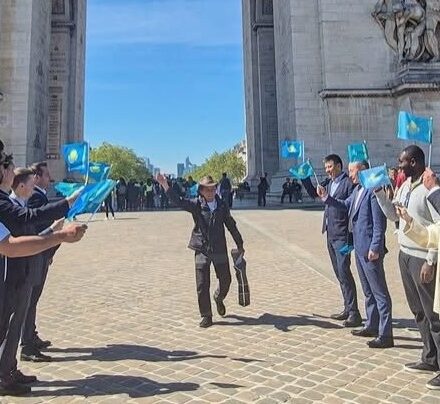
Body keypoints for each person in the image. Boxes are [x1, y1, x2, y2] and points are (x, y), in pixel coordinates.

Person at [375, 145, 440, 388]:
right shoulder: (404, 186)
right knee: (418, 311)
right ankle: (429, 357)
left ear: (413, 162)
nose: (398, 165)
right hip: (405, 254)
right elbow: (395, 216)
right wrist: (381, 197)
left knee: (434, 315)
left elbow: (439, 224)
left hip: (422, 258)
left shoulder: (429, 189)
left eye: (402, 161)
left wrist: (431, 260)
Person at [318, 161, 393, 349]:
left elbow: (379, 224)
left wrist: (375, 247)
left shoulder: (373, 191)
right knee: (368, 291)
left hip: (370, 250)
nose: (349, 174)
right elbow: (344, 205)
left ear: (362, 171)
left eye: (352, 171)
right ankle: (372, 325)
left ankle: (386, 334)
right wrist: (326, 197)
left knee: (379, 293)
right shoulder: (357, 190)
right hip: (359, 247)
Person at [156, 173, 244, 328]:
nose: (210, 192)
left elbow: (231, 225)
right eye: (207, 189)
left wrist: (240, 243)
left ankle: (218, 297)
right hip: (201, 248)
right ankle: (206, 315)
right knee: (202, 284)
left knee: (226, 280)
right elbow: (179, 201)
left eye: (213, 189)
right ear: (201, 191)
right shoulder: (196, 204)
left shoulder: (222, 205)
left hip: (219, 248)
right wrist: (165, 185)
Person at [20, 161, 76, 364]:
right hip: (37, 253)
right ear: (36, 177)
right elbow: (37, 226)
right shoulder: (35, 197)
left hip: (42, 252)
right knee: (30, 300)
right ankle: (27, 345)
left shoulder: (39, 195)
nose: (49, 178)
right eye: (46, 175)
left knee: (33, 299)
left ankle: (31, 336)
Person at [316, 155, 361, 327]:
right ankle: (347, 308)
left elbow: (347, 205)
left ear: (338, 166)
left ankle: (355, 313)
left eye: (330, 166)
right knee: (338, 273)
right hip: (331, 235)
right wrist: (305, 178)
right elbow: (315, 193)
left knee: (344, 271)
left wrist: (328, 198)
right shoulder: (329, 183)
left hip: (344, 237)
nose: (327, 170)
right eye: (326, 167)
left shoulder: (348, 183)